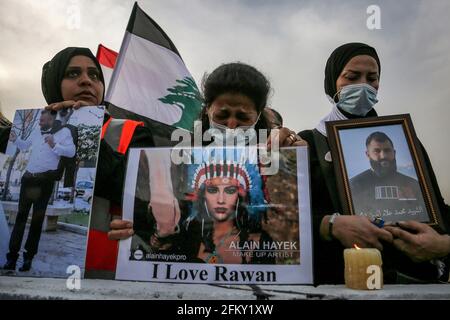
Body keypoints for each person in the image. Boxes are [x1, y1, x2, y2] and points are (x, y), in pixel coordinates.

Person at [298, 42, 450, 284]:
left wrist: (443, 244)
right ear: (332, 82)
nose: (363, 85)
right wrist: (331, 225)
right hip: (335, 282)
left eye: (372, 78)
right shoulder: (306, 143)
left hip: (410, 280)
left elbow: (437, 208)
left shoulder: (405, 139)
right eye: (351, 77)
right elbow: (289, 220)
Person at [109, 62, 306, 248]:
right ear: (207, 112)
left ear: (258, 117)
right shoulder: (176, 162)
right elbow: (152, 234)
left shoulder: (277, 158)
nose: (231, 125)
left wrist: (298, 161)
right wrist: (137, 232)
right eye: (222, 115)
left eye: (243, 117)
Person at [3, 109, 76, 271]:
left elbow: (71, 152)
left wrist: (54, 144)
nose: (40, 123)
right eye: (40, 120)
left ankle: (28, 258)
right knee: (20, 219)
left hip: (45, 181)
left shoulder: (64, 132)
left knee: (36, 221)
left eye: (43, 121)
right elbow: (25, 146)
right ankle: (12, 258)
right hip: (29, 178)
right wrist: (15, 140)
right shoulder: (36, 132)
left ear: (51, 120)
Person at [350, 131, 427, 221]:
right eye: (377, 151)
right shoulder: (354, 185)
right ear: (368, 154)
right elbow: (360, 218)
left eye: (387, 150)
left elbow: (423, 215)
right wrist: (385, 227)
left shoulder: (413, 183)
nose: (383, 156)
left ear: (394, 152)